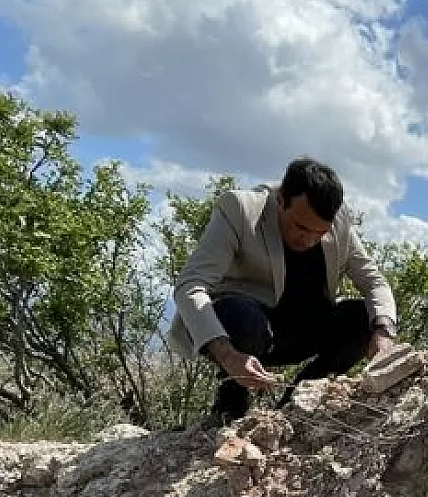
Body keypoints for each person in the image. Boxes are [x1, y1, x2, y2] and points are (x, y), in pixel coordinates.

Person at [168, 158, 399, 422]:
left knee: (363, 317)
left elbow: (375, 282)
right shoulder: (241, 210)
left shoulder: (339, 223)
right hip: (245, 333)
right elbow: (190, 285)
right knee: (241, 315)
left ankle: (296, 408)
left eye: (320, 233)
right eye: (300, 227)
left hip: (305, 329)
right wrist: (227, 355)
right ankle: (230, 404)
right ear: (281, 199)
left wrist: (383, 335)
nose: (309, 240)